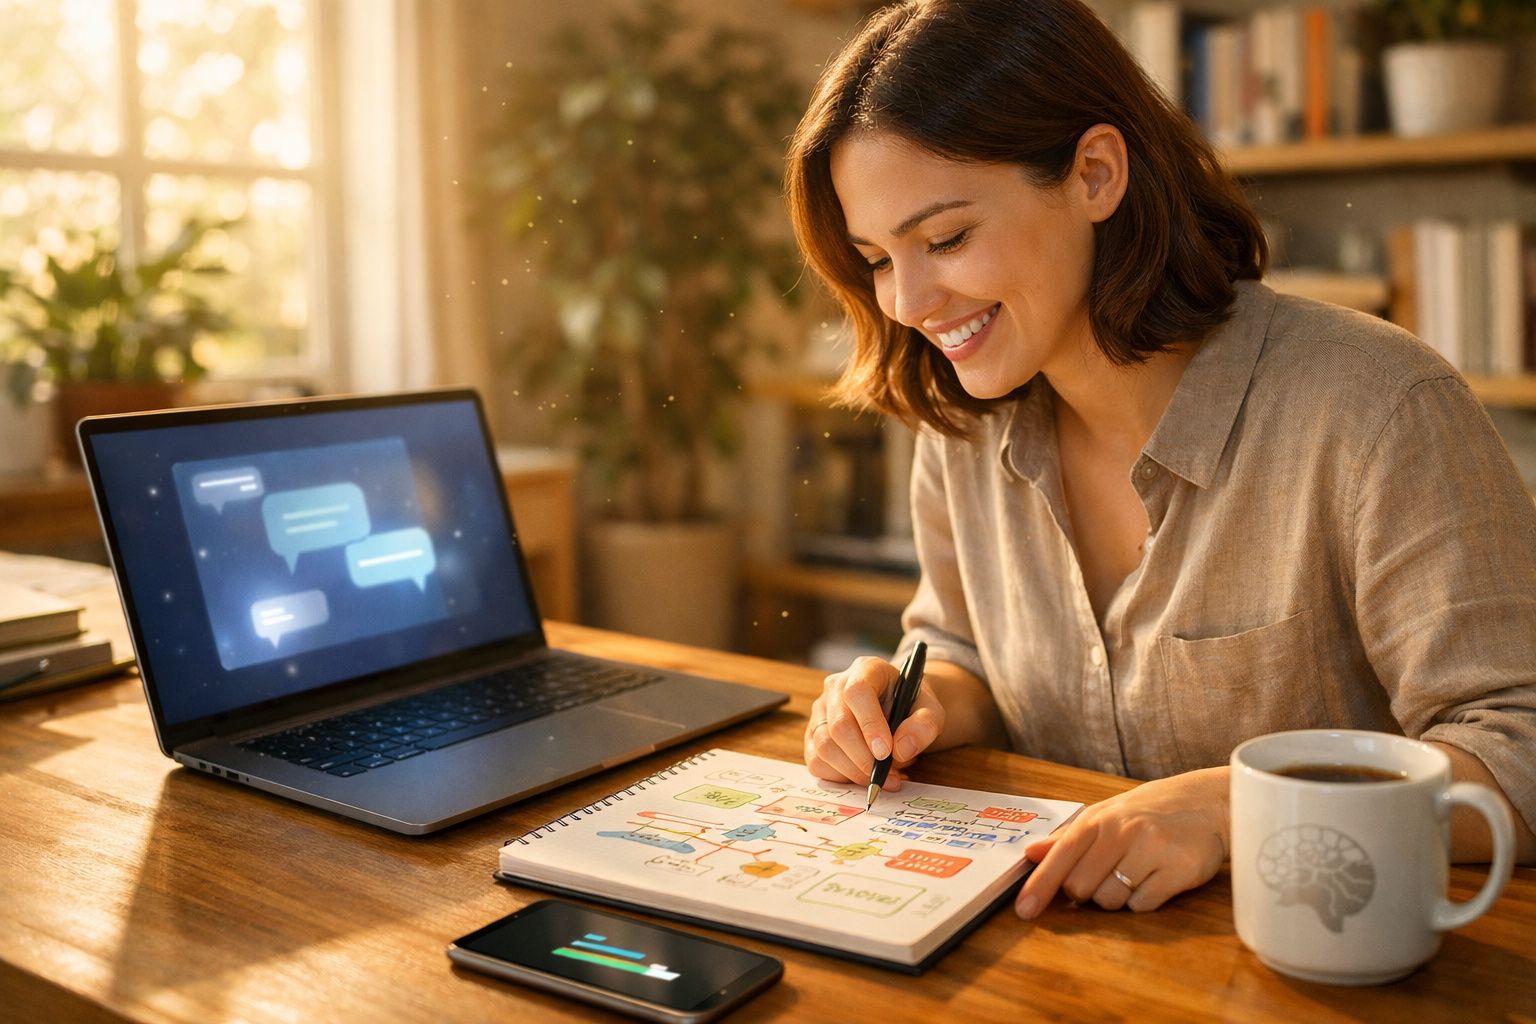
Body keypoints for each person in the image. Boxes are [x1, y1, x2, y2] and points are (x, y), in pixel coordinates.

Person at [784, 0, 1536, 919]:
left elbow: (1519, 751)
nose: (907, 302)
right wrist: (912, 698)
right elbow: (963, 645)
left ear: (1096, 174)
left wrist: (1237, 805)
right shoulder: (965, 424)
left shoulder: (1378, 409)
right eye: (876, 259)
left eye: (945, 240)